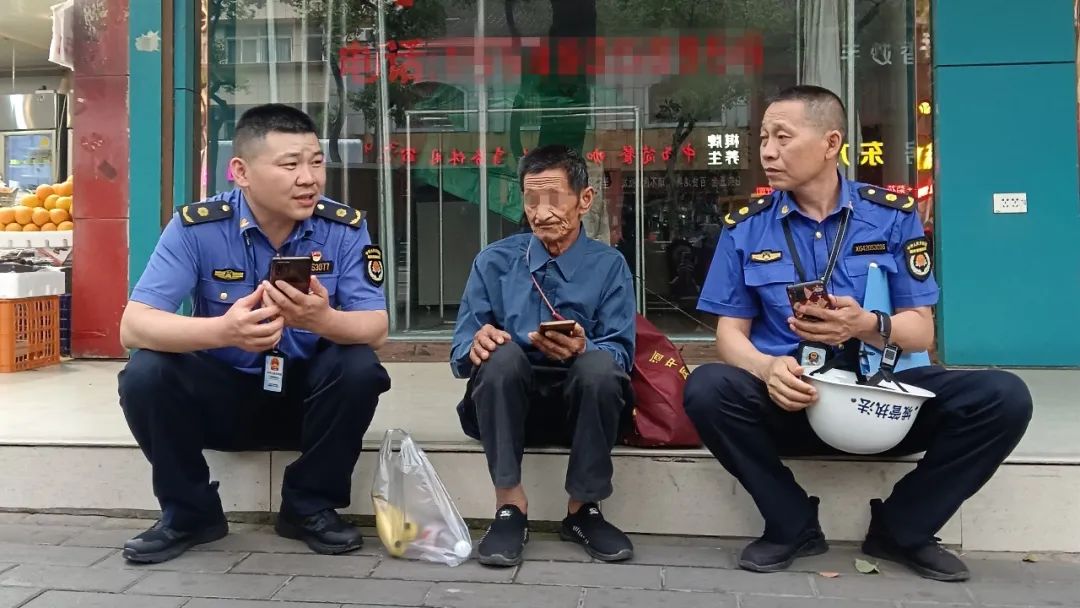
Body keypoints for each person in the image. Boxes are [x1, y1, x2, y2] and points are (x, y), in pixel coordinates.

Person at [683, 86, 1032, 582]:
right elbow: (729, 335)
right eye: (762, 138)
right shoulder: (746, 228)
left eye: (782, 137)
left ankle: (903, 528)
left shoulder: (891, 217)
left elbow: (921, 332)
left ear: (831, 143)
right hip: (793, 400)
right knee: (707, 387)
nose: (767, 151)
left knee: (1004, 397)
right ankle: (791, 523)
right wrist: (767, 368)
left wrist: (866, 324)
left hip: (881, 398)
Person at [117, 104, 391, 564]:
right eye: (290, 164)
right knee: (145, 371)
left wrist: (321, 320)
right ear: (241, 172)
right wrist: (224, 331)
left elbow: (376, 327)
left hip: (307, 404)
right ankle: (190, 513)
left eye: (316, 162)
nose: (309, 179)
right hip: (224, 401)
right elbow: (134, 325)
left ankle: (309, 507)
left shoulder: (343, 228)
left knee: (359, 365)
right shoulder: (197, 228)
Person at [451, 144, 636, 567]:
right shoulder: (494, 262)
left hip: (580, 413)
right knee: (501, 357)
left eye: (554, 198)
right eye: (532, 199)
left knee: (599, 367)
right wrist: (478, 343)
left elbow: (622, 353)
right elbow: (460, 351)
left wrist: (583, 347)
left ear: (584, 200)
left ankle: (583, 510)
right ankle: (509, 507)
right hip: (507, 408)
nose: (541, 212)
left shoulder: (610, 266)